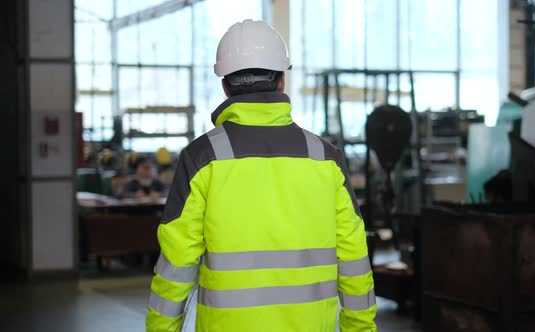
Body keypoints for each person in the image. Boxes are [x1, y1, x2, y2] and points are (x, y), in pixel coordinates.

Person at [146, 19, 376, 332]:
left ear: (225, 86)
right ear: (282, 81)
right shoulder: (326, 158)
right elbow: (354, 257)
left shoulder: (202, 158)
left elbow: (176, 265)